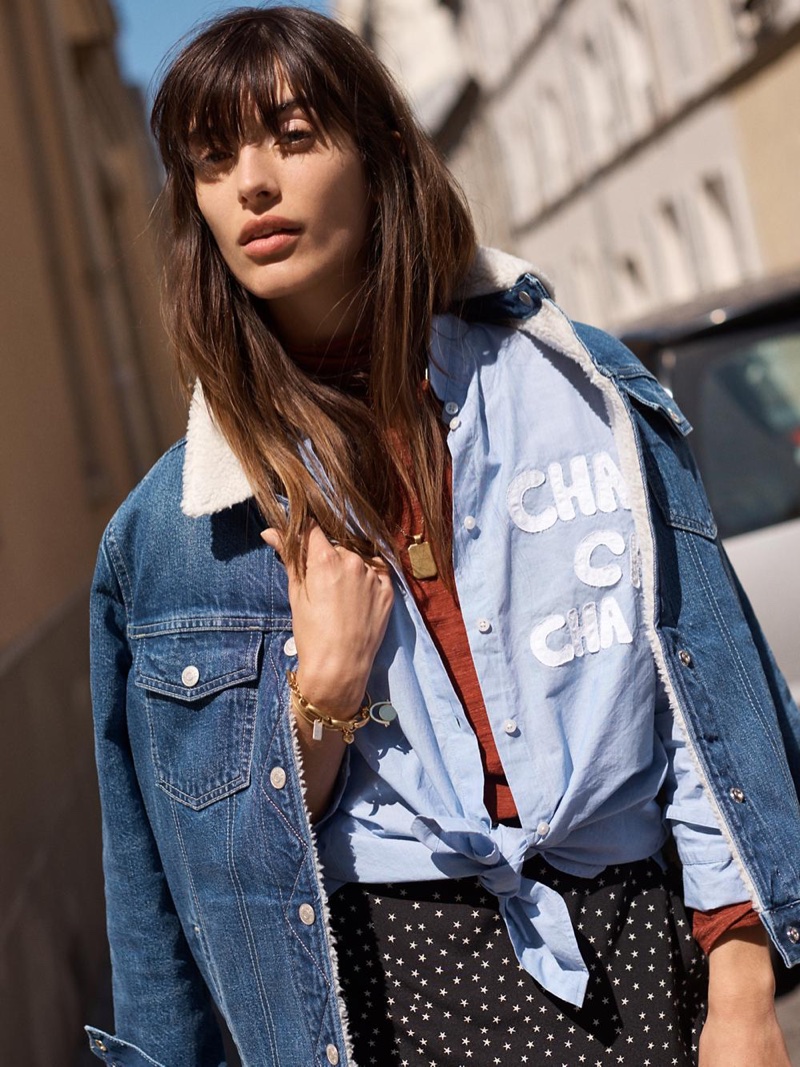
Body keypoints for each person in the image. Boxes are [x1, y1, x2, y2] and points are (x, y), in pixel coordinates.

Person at [85, 7, 800, 1067]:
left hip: (647, 948)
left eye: (292, 135)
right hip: (398, 996)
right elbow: (193, 897)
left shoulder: (580, 389)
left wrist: (741, 990)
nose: (253, 184)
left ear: (376, 156)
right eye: (211, 157)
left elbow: (701, 699)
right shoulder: (176, 535)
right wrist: (322, 690)